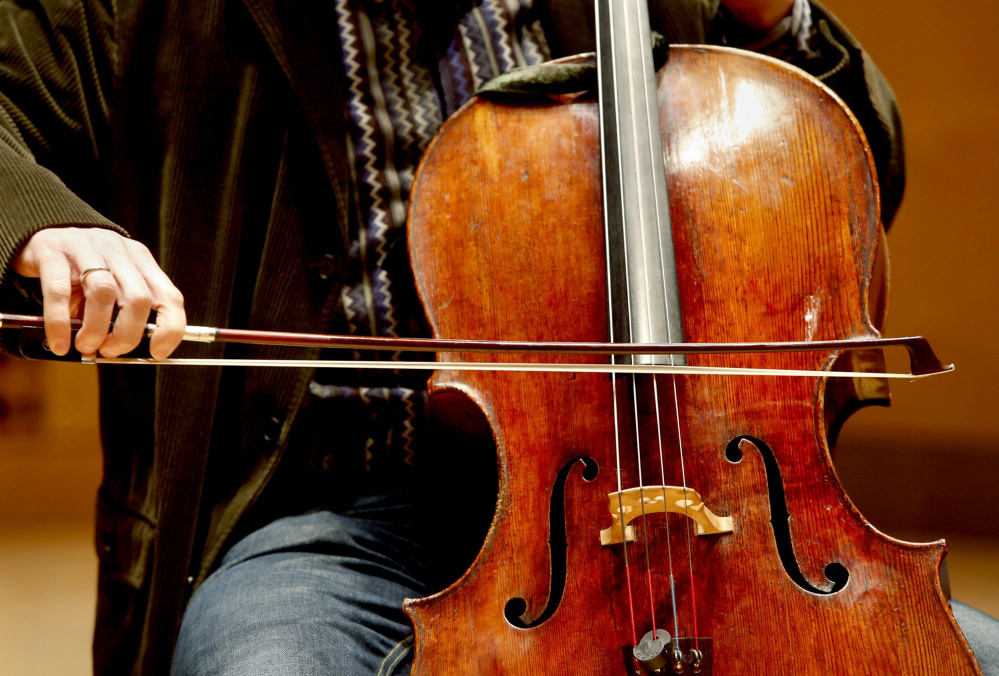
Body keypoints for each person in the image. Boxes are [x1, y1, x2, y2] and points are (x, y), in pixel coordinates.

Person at [0, 1, 994, 674]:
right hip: (333, 513)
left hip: (702, 492)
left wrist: (776, 20)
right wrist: (45, 225)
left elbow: (838, 180)